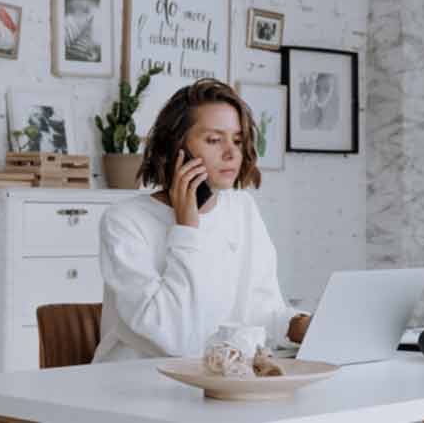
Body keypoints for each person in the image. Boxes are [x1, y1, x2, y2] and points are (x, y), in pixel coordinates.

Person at [92, 78, 310, 362]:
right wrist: (186, 229)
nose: (231, 153)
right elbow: (177, 338)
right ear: (176, 147)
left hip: (220, 381)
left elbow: (260, 313)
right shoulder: (124, 221)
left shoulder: (242, 208)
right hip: (140, 387)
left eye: (238, 140)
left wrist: (299, 327)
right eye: (214, 140)